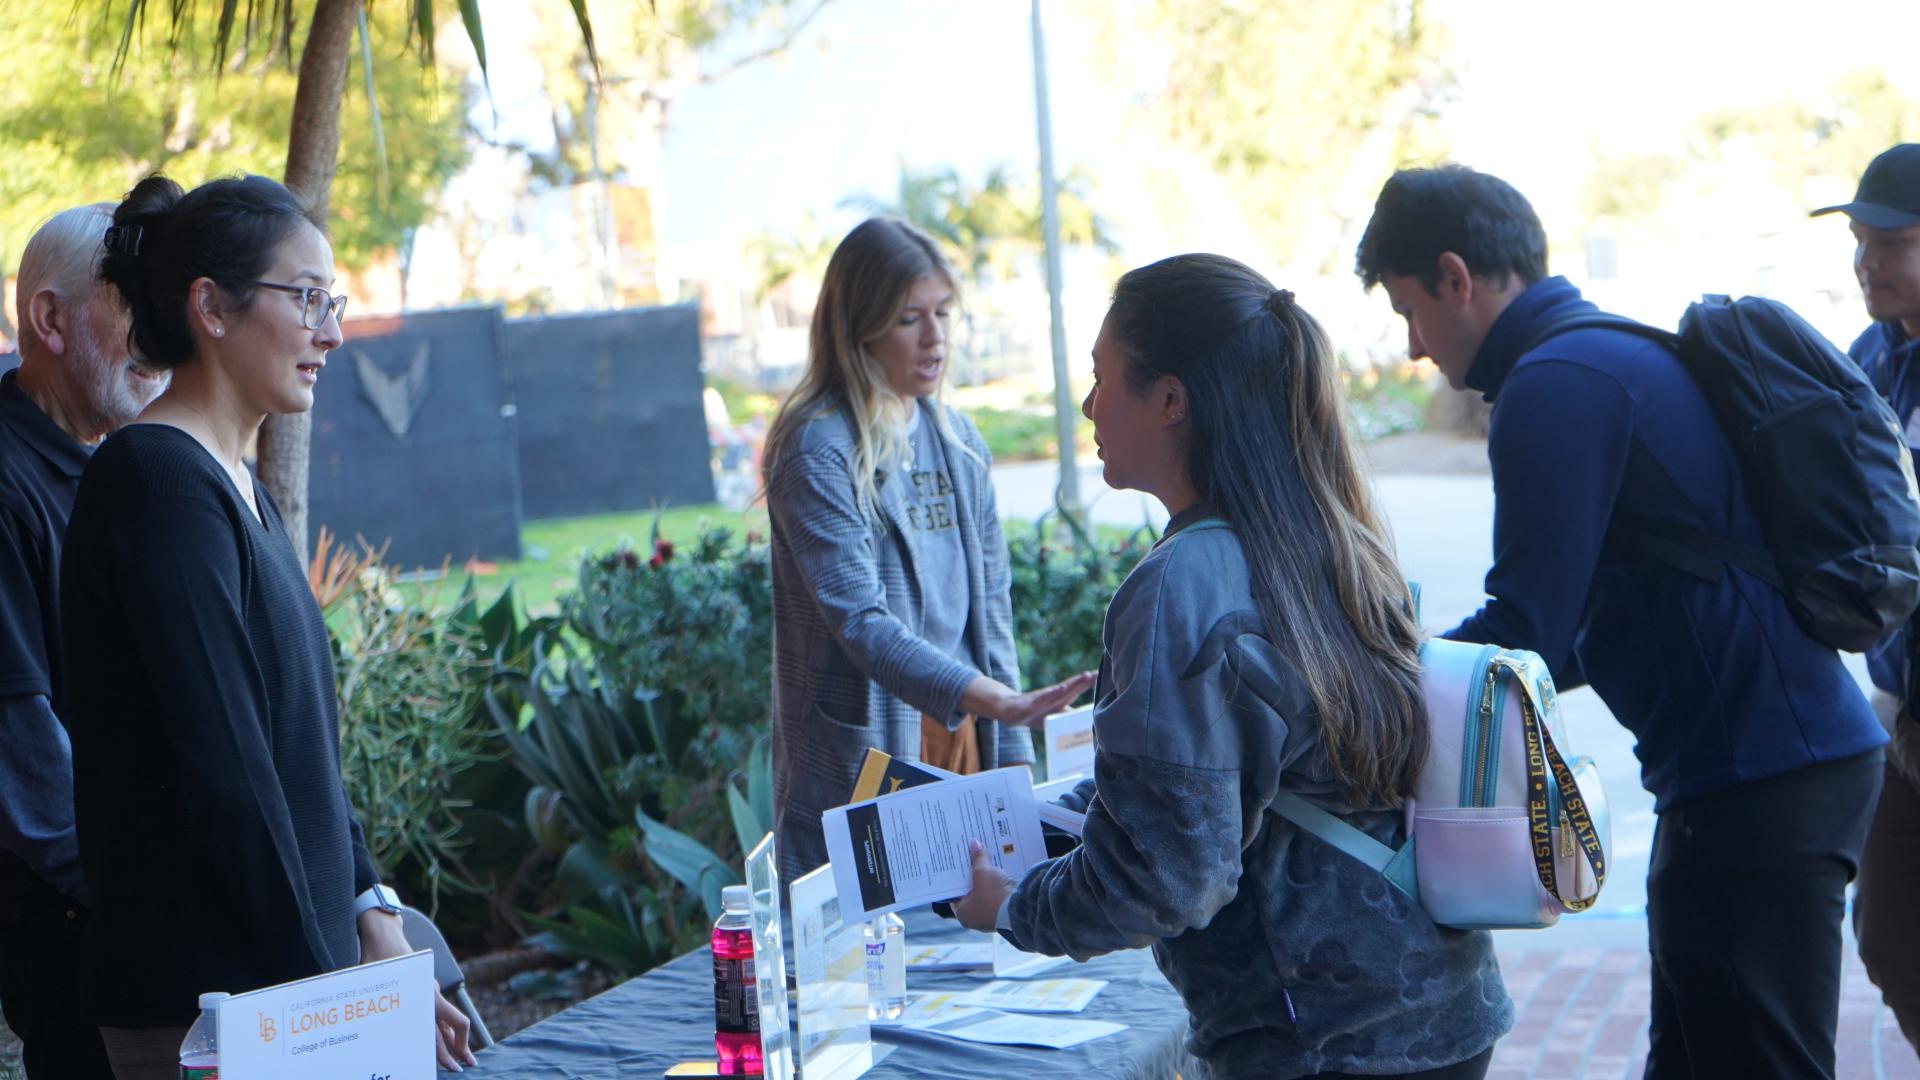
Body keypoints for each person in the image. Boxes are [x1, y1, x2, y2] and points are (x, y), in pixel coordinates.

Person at [1354, 164, 1885, 1078]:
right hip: (1752, 774)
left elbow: (1527, 636)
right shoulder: (1598, 355)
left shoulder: (1555, 383)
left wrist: (1363, 677)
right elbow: (1595, 615)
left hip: (1761, 783)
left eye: (1410, 310)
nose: (1412, 345)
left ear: (1456, 276)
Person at [953, 254, 1511, 1080]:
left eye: (1104, 378)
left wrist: (1013, 909)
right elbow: (1241, 778)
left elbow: (1170, 876)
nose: (1088, 406)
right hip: (1435, 1009)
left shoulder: (1181, 583)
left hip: (1316, 1037)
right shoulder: (1332, 536)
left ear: (1172, 400)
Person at [63, 174, 475, 1078]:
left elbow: (297, 757)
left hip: (283, 992)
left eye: (336, 301)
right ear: (210, 306)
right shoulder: (157, 487)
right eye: (308, 298)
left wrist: (375, 921)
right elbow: (227, 774)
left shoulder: (229, 483)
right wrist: (341, 1007)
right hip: (213, 1009)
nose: (331, 330)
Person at [760, 217, 1095, 882]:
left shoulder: (958, 437)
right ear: (859, 327)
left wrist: (1011, 752)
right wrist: (994, 699)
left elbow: (991, 606)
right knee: (873, 950)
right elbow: (859, 621)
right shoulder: (817, 446)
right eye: (909, 317)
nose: (935, 336)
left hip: (965, 730)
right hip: (874, 746)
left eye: (943, 312)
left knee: (979, 946)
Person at [0, 203, 169, 1079]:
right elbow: (24, 758)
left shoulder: (129, 457)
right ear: (50, 320)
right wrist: (149, 900)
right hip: (86, 945)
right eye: (128, 301)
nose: (157, 329)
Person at [1811, 141, 1920, 1050]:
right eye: (1859, 241)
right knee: (1887, 934)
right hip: (1898, 709)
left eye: (1893, 242)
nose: (1867, 263)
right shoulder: (1869, 359)